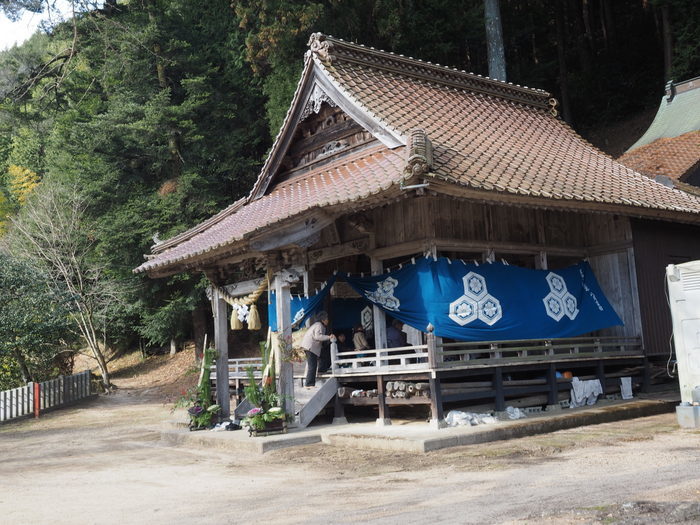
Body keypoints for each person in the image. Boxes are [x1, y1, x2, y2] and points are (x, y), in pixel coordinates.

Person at [300, 311, 335, 387]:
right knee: (312, 366)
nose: (328, 321)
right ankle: (309, 384)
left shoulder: (319, 325)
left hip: (311, 346)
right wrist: (329, 337)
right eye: (327, 319)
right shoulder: (319, 325)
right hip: (310, 347)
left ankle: (321, 370)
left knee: (324, 355)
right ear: (323, 320)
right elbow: (318, 337)